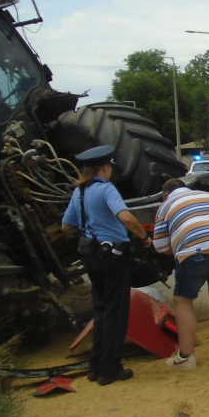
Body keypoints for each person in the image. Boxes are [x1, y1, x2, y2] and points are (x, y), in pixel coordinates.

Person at [61, 145, 152, 386]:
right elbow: (127, 217)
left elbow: (66, 227)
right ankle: (110, 370)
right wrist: (144, 238)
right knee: (116, 313)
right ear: (105, 167)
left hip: (90, 256)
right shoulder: (106, 189)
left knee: (100, 311)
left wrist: (89, 228)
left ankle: (95, 367)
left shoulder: (79, 192)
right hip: (112, 256)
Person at [153, 179, 209, 370]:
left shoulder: (166, 204)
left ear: (166, 194)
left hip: (196, 249)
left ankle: (186, 357)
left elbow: (160, 246)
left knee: (183, 300)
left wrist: (180, 248)